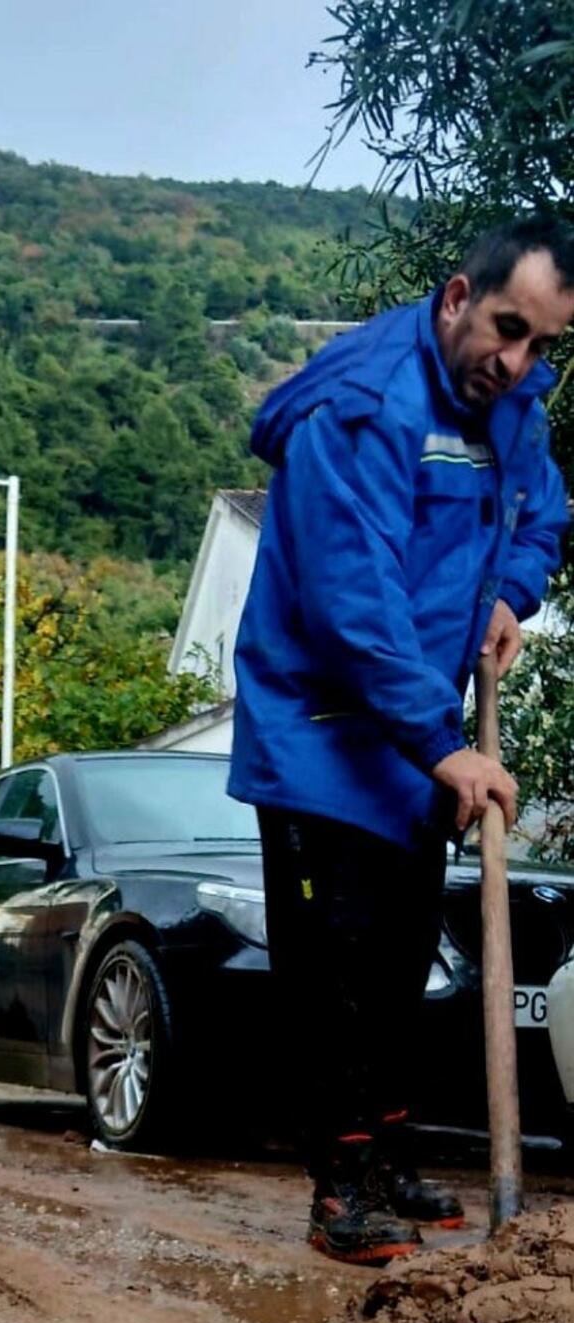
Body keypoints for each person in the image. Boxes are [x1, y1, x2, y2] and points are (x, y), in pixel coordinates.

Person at [229, 216, 574, 1265]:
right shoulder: (364, 405)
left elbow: (541, 511)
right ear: (456, 295)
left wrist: (510, 593)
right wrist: (443, 745)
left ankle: (385, 1156)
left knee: (394, 964)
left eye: (543, 346)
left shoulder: (508, 400)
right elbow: (351, 601)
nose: (515, 364)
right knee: (333, 968)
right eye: (506, 330)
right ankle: (340, 1188)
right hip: (325, 731)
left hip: (414, 742)